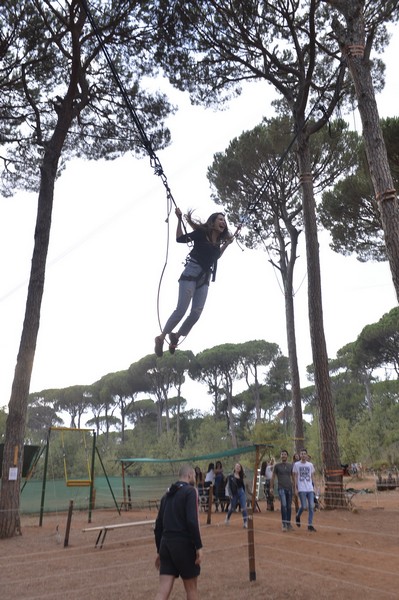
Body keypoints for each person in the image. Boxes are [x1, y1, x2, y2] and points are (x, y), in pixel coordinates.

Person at [154, 207, 235, 357]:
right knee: (181, 310)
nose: (223, 222)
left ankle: (175, 337)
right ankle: (161, 337)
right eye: (220, 219)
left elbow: (215, 257)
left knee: (196, 313)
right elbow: (180, 239)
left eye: (224, 220)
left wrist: (227, 245)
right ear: (213, 222)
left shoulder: (217, 243)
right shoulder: (201, 234)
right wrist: (179, 220)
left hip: (204, 278)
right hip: (191, 273)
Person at [154, 464, 203, 600]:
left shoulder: (167, 495)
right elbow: (192, 522)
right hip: (183, 545)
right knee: (191, 589)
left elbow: (158, 526)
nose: (194, 478)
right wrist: (199, 546)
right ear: (189, 475)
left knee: (163, 591)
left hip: (166, 545)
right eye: (193, 475)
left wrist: (159, 551)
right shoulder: (190, 491)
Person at [293, 448, 317, 532]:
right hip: (301, 488)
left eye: (304, 453)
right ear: (300, 455)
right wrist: (295, 488)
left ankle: (310, 525)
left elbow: (312, 476)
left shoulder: (310, 465)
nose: (303, 455)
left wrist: (314, 486)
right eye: (301, 453)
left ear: (306, 455)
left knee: (311, 506)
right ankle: (297, 516)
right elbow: (295, 477)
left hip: (309, 488)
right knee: (304, 506)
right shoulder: (296, 465)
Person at [271, 450, 294, 531]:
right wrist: (271, 487)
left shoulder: (290, 465)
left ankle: (288, 524)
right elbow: (273, 477)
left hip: (289, 488)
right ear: (280, 456)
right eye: (282, 454)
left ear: (287, 456)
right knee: (283, 505)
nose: (283, 455)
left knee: (288, 506)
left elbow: (293, 477)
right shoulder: (277, 466)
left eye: (285, 454)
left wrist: (295, 487)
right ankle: (284, 524)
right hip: (281, 488)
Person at [225, 463, 248, 528]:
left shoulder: (242, 475)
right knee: (232, 508)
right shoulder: (230, 476)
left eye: (239, 467)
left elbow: (244, 484)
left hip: (241, 492)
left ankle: (245, 522)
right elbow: (228, 486)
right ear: (234, 468)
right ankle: (227, 518)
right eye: (237, 466)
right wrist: (230, 494)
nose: (238, 468)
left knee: (243, 507)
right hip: (234, 493)